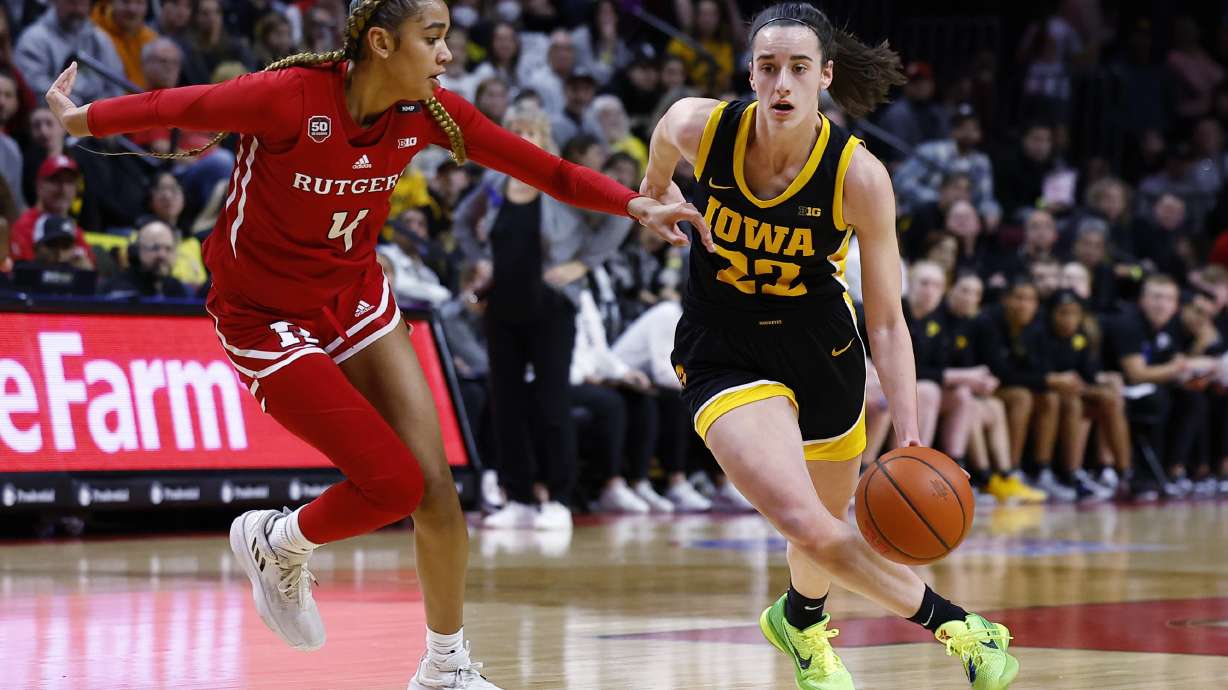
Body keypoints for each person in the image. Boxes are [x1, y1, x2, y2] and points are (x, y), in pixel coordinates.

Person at [44, 0, 704, 687]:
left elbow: (545, 170)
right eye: (435, 38)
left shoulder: (429, 112)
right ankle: (277, 540)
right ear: (383, 42)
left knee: (439, 494)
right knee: (393, 485)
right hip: (261, 313)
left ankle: (445, 668)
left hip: (354, 296)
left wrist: (634, 203)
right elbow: (180, 102)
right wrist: (80, 118)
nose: (449, 55)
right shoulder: (289, 98)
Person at [640, 4, 1018, 689]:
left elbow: (886, 322)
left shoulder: (859, 176)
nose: (781, 82)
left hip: (825, 354)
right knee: (806, 522)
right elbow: (662, 140)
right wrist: (653, 190)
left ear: (825, 77)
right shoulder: (701, 125)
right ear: (750, 76)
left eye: (798, 68)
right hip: (724, 351)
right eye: (767, 67)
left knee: (824, 526)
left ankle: (801, 621)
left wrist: (907, 432)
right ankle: (961, 627)